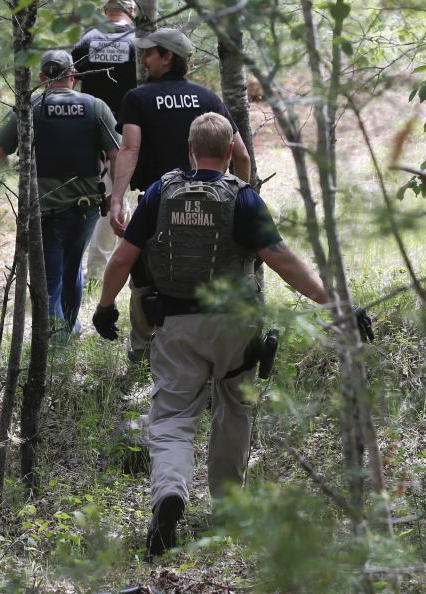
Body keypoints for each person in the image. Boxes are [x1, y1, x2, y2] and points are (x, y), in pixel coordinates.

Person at [93, 112, 357, 557]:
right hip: (235, 326)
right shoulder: (244, 199)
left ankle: (170, 493)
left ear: (190, 150)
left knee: (173, 417)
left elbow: (122, 258)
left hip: (176, 324)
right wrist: (338, 305)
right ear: (232, 152)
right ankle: (229, 508)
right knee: (234, 408)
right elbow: (284, 262)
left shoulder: (160, 192)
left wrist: (105, 306)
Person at [109, 27, 252, 363]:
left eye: (148, 53)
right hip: (210, 204)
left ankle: (144, 354)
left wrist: (116, 199)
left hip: (157, 202)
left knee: (144, 277)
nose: (143, 59)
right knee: (201, 273)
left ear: (167, 58)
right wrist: (240, 199)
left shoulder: (137, 98)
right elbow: (242, 155)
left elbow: (129, 148)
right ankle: (208, 351)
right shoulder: (208, 98)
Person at [0, 50, 120, 340]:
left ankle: (58, 346)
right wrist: (116, 193)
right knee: (73, 269)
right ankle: (69, 330)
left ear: (41, 78)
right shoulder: (96, 107)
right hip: (86, 208)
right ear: (73, 76)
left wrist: (19, 172)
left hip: (43, 210)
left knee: (50, 278)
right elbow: (117, 154)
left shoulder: (28, 106)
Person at [72, 0, 138, 281]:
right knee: (116, 195)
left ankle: (98, 267)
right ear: (131, 11)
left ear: (104, 12)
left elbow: (68, 79)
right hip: (127, 129)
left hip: (89, 127)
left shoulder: (86, 40)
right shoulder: (139, 40)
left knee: (98, 193)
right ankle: (100, 272)